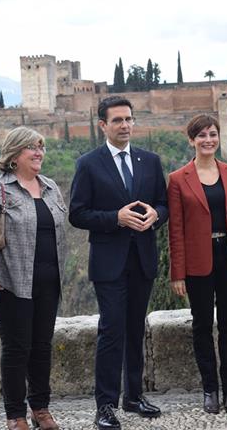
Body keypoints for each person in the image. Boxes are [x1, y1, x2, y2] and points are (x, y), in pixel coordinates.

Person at [68, 96, 169, 429]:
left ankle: (134, 396)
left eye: (129, 119)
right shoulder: (88, 164)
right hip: (109, 263)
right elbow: (77, 214)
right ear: (102, 126)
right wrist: (116, 218)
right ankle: (105, 405)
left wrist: (157, 214)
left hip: (142, 260)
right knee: (111, 331)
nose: (125, 125)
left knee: (136, 328)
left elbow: (164, 205)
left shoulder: (150, 161)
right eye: (117, 120)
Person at [167, 114, 227, 414]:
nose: (208, 139)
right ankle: (210, 390)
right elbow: (176, 230)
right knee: (202, 326)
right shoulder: (178, 179)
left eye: (213, 134)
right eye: (202, 135)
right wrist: (177, 272)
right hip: (197, 261)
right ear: (191, 140)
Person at [0, 127, 66, 430]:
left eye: (41, 147)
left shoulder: (51, 187)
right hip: (11, 282)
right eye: (32, 148)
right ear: (14, 155)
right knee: (17, 349)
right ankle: (15, 415)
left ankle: (41, 409)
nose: (39, 153)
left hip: (49, 282)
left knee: (42, 346)